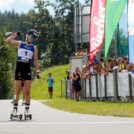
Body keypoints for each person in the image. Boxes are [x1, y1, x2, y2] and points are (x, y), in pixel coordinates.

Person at [6, 29, 40, 116]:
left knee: (27, 90)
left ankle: (27, 110)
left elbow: (35, 61)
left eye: (34, 38)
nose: (32, 39)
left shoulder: (34, 48)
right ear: (27, 36)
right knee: (17, 90)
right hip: (19, 67)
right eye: (31, 36)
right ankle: (15, 109)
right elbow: (8, 41)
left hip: (27, 68)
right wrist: (15, 35)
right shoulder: (20, 43)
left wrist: (38, 70)